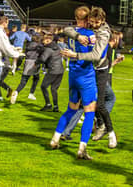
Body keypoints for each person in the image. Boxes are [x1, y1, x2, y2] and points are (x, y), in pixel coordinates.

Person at [62, 7, 117, 148]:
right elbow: (67, 30)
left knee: (99, 103)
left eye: (96, 22)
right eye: (91, 21)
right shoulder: (89, 29)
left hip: (100, 70)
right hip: (89, 70)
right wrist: (78, 36)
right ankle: (98, 126)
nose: (93, 24)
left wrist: (75, 55)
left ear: (103, 20)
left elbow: (96, 55)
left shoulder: (104, 33)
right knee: (87, 103)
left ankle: (109, 131)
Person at [50, 6, 97, 159]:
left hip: (73, 75)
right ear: (88, 19)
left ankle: (55, 139)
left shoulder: (72, 33)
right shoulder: (89, 34)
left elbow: (67, 30)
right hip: (86, 75)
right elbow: (95, 55)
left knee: (71, 109)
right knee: (90, 112)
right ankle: (82, 149)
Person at [10, 34, 44, 104]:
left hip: (27, 62)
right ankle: (31, 93)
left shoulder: (28, 45)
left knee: (24, 80)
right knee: (36, 78)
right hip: (34, 62)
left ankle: (16, 91)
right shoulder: (39, 46)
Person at [37, 33, 64, 112]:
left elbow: (43, 59)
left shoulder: (48, 49)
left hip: (53, 70)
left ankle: (48, 104)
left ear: (48, 40)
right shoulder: (57, 47)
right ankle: (56, 107)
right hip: (60, 70)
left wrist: (36, 62)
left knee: (43, 86)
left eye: (44, 40)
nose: (43, 42)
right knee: (54, 89)